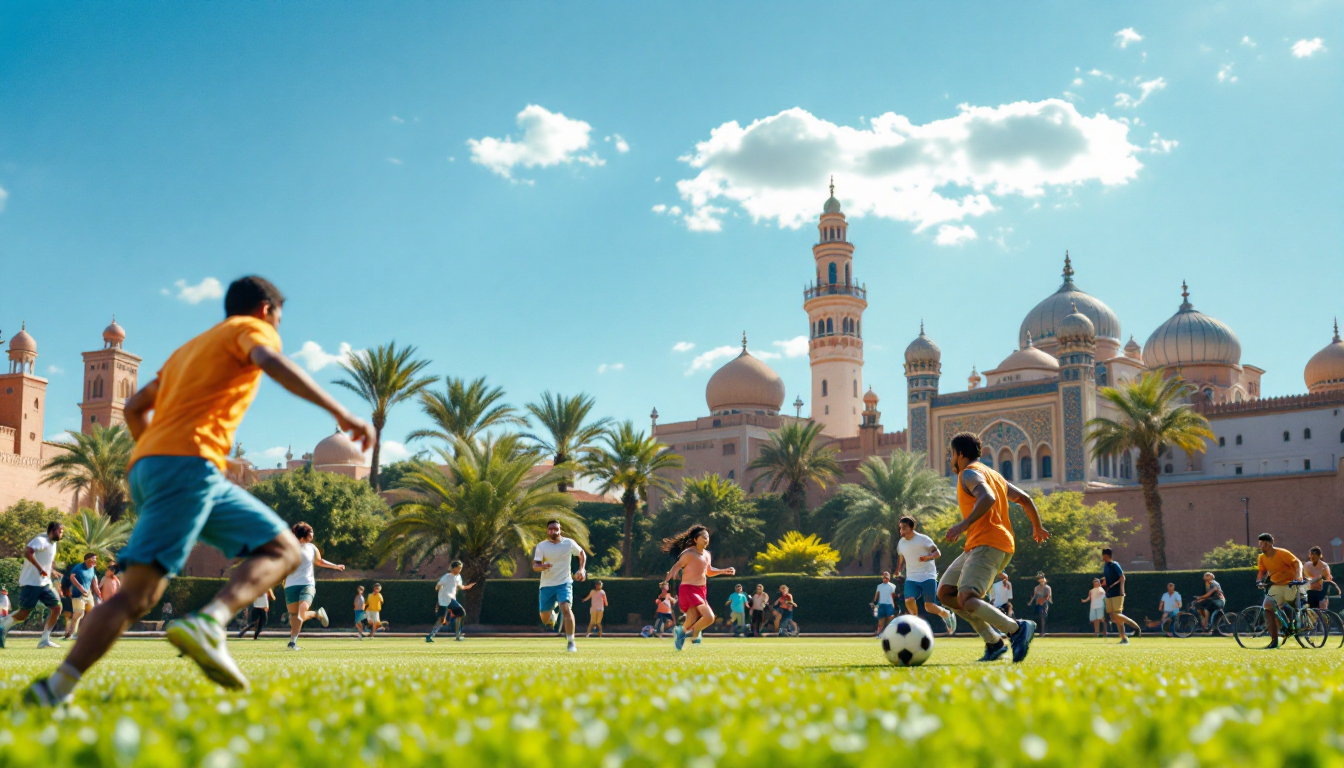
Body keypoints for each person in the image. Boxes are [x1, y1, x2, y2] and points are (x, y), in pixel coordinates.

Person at [12, 277, 377, 705]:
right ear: (265, 310)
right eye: (279, 318)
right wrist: (340, 411)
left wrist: (168, 454)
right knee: (284, 551)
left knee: (139, 595)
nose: (277, 328)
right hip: (187, 468)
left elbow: (133, 409)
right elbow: (272, 363)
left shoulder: (190, 350)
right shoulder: (252, 330)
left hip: (150, 470)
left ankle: (54, 690)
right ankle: (211, 621)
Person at [936, 433, 1049, 664]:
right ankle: (994, 642)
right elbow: (1026, 499)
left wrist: (962, 525)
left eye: (951, 453)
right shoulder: (994, 474)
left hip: (988, 543)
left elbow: (986, 497)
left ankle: (1016, 629)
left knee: (967, 598)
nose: (951, 459)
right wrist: (1037, 527)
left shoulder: (969, 473)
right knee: (946, 593)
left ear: (959, 454)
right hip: (981, 544)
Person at [662, 524, 735, 650]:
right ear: (695, 539)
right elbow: (677, 565)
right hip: (689, 589)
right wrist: (666, 581)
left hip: (701, 590)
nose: (706, 540)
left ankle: (682, 632)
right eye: (703, 537)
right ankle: (693, 633)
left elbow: (708, 571)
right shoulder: (689, 553)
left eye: (707, 537)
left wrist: (724, 571)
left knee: (692, 619)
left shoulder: (707, 554)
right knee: (709, 617)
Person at [0, 521, 66, 650]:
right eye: (60, 531)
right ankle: (3, 625)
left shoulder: (53, 544)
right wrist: (40, 569)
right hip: (31, 583)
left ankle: (45, 640)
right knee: (24, 613)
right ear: (53, 530)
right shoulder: (41, 540)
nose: (62, 534)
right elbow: (28, 552)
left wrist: (51, 571)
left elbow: (47, 560)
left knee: (57, 608)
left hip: (44, 583)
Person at [284, 522, 345, 650]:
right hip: (290, 585)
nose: (313, 535)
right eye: (311, 532)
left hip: (307, 584)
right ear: (304, 534)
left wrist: (335, 566)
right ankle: (315, 615)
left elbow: (319, 561)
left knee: (301, 614)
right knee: (293, 618)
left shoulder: (311, 547)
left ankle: (293, 641)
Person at [533, 519, 588, 653]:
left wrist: (581, 569)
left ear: (560, 529)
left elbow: (581, 554)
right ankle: (552, 615)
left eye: (555, 528)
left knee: (566, 608)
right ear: (547, 531)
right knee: (545, 618)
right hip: (547, 585)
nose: (553, 531)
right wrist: (543, 566)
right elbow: (535, 566)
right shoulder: (542, 546)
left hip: (564, 583)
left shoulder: (568, 543)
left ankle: (571, 642)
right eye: (550, 529)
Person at [896, 517, 957, 636]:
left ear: (911, 527)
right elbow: (901, 558)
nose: (901, 531)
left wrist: (928, 557)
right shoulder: (901, 543)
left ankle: (947, 614)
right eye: (900, 528)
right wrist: (898, 570)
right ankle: (916, 624)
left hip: (927, 575)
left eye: (904, 528)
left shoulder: (923, 539)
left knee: (929, 606)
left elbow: (937, 553)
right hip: (912, 577)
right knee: (908, 600)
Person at [1255, 532, 1303, 649]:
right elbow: (1262, 571)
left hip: (1291, 583)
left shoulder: (1282, 553)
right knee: (1268, 608)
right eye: (1260, 543)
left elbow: (1297, 563)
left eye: (1263, 543)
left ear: (1270, 543)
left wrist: (1299, 576)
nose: (1261, 546)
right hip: (1276, 585)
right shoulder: (1261, 557)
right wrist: (1258, 581)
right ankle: (1274, 641)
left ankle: (1292, 624)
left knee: (1289, 603)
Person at [1100, 548, 1142, 644]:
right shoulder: (1106, 566)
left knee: (1116, 614)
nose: (1104, 558)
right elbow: (1108, 577)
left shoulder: (1115, 565)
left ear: (1108, 555)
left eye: (1105, 556)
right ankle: (1124, 638)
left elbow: (1122, 577)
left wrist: (1122, 590)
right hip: (1109, 593)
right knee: (1114, 617)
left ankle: (1136, 627)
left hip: (1117, 593)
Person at [429, 562, 474, 642]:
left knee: (460, 613)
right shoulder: (446, 577)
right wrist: (437, 589)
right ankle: (430, 636)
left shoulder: (458, 577)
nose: (459, 570)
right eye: (458, 568)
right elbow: (438, 585)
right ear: (453, 568)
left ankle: (457, 635)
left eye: (460, 569)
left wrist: (467, 587)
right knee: (442, 620)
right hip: (444, 600)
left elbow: (460, 586)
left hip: (451, 599)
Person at [64, 553, 103, 640]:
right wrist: (80, 587)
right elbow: (72, 577)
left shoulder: (92, 568)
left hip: (88, 594)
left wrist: (99, 593)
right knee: (79, 613)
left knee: (92, 613)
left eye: (95, 559)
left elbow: (94, 582)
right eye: (93, 559)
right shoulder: (78, 567)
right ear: (87, 559)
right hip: (78, 594)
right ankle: (69, 632)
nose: (95, 561)